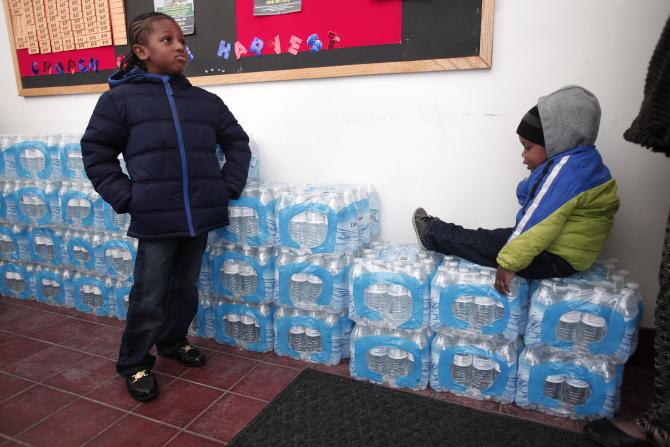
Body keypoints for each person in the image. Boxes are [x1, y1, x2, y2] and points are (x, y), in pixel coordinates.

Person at [80, 12, 251, 401]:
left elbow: (237, 142)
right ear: (142, 51)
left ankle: (173, 342)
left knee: (185, 289)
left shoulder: (206, 101)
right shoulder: (119, 101)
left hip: (201, 214)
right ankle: (134, 362)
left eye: (182, 41)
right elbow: (96, 152)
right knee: (150, 294)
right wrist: (126, 196)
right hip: (155, 216)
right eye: (168, 40)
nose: (180, 47)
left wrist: (228, 185)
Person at [412, 85, 620, 295]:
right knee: (489, 238)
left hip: (555, 257)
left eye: (528, 147)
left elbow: (538, 218)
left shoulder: (567, 171)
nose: (524, 155)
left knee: (483, 244)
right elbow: (533, 203)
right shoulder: (584, 164)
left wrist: (509, 264)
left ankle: (432, 233)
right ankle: (437, 231)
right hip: (562, 252)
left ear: (556, 142)